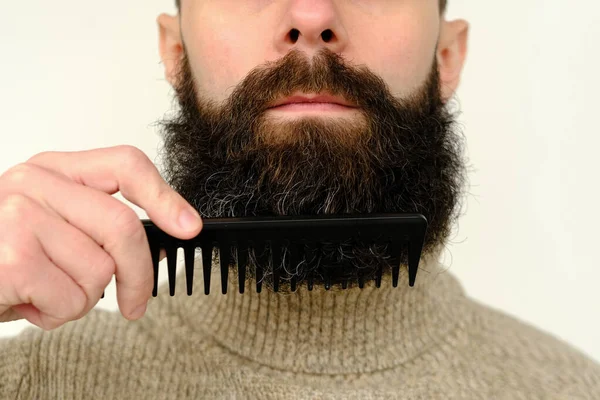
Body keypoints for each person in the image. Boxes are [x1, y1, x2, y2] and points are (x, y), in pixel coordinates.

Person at [1, 0, 599, 398]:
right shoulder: (31, 383)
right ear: (176, 51)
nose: (312, 16)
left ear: (446, 57)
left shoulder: (573, 390)